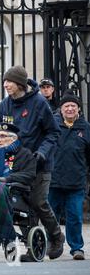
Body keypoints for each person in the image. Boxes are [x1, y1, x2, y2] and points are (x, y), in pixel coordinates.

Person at [0, 65, 65, 261]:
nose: (5, 85)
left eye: (9, 81)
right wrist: (5, 160)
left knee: (38, 202)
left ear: (19, 83)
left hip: (40, 164)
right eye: (4, 81)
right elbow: (3, 133)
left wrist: (42, 153)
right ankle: (32, 247)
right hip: (16, 164)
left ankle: (56, 236)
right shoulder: (5, 105)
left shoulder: (38, 103)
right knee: (21, 207)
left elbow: (53, 132)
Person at [49, 90, 90, 260]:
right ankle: (51, 245)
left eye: (74, 106)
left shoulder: (86, 128)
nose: (70, 109)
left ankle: (77, 248)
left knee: (75, 217)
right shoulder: (52, 125)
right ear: (61, 109)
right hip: (53, 181)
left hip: (76, 182)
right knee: (51, 217)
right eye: (67, 106)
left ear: (79, 109)